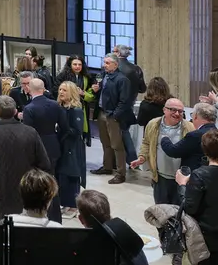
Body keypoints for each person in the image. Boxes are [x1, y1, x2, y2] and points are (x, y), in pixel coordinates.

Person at [0, 96, 50, 224]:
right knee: (24, 230)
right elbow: (44, 163)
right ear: (15, 111)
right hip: (25, 193)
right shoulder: (31, 133)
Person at [131, 98, 194, 207]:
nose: (177, 114)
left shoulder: (189, 127)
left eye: (180, 111)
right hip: (160, 178)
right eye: (173, 110)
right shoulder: (153, 124)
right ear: (164, 110)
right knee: (161, 210)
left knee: (178, 211)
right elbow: (146, 143)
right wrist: (142, 157)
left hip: (181, 180)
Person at [21, 78, 67, 221]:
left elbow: (28, 133)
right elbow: (65, 127)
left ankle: (37, 214)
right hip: (53, 146)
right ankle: (56, 218)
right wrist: (56, 140)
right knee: (52, 181)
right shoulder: (55, 105)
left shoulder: (29, 108)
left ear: (29, 89)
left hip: (36, 149)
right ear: (43, 88)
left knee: (36, 182)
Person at [176, 129, 218, 264]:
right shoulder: (200, 175)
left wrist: (183, 185)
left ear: (204, 150)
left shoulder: (200, 175)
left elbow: (189, 208)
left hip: (207, 237)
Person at [90, 53, 134, 184]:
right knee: (105, 142)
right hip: (102, 112)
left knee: (116, 145)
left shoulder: (122, 79)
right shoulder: (104, 76)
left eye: (108, 63)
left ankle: (121, 173)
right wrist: (95, 90)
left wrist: (115, 115)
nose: (105, 65)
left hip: (113, 115)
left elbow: (125, 101)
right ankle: (107, 166)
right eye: (104, 62)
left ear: (116, 65)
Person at [56, 81, 87, 219]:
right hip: (61, 145)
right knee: (62, 175)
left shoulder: (76, 110)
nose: (61, 92)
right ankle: (65, 203)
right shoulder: (59, 107)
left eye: (65, 90)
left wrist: (62, 128)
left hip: (72, 147)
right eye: (60, 89)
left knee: (72, 174)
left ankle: (74, 206)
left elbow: (77, 131)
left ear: (72, 93)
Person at [162, 103, 218, 173]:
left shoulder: (195, 135)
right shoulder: (215, 132)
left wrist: (165, 138)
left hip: (194, 175)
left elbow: (173, 151)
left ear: (196, 116)